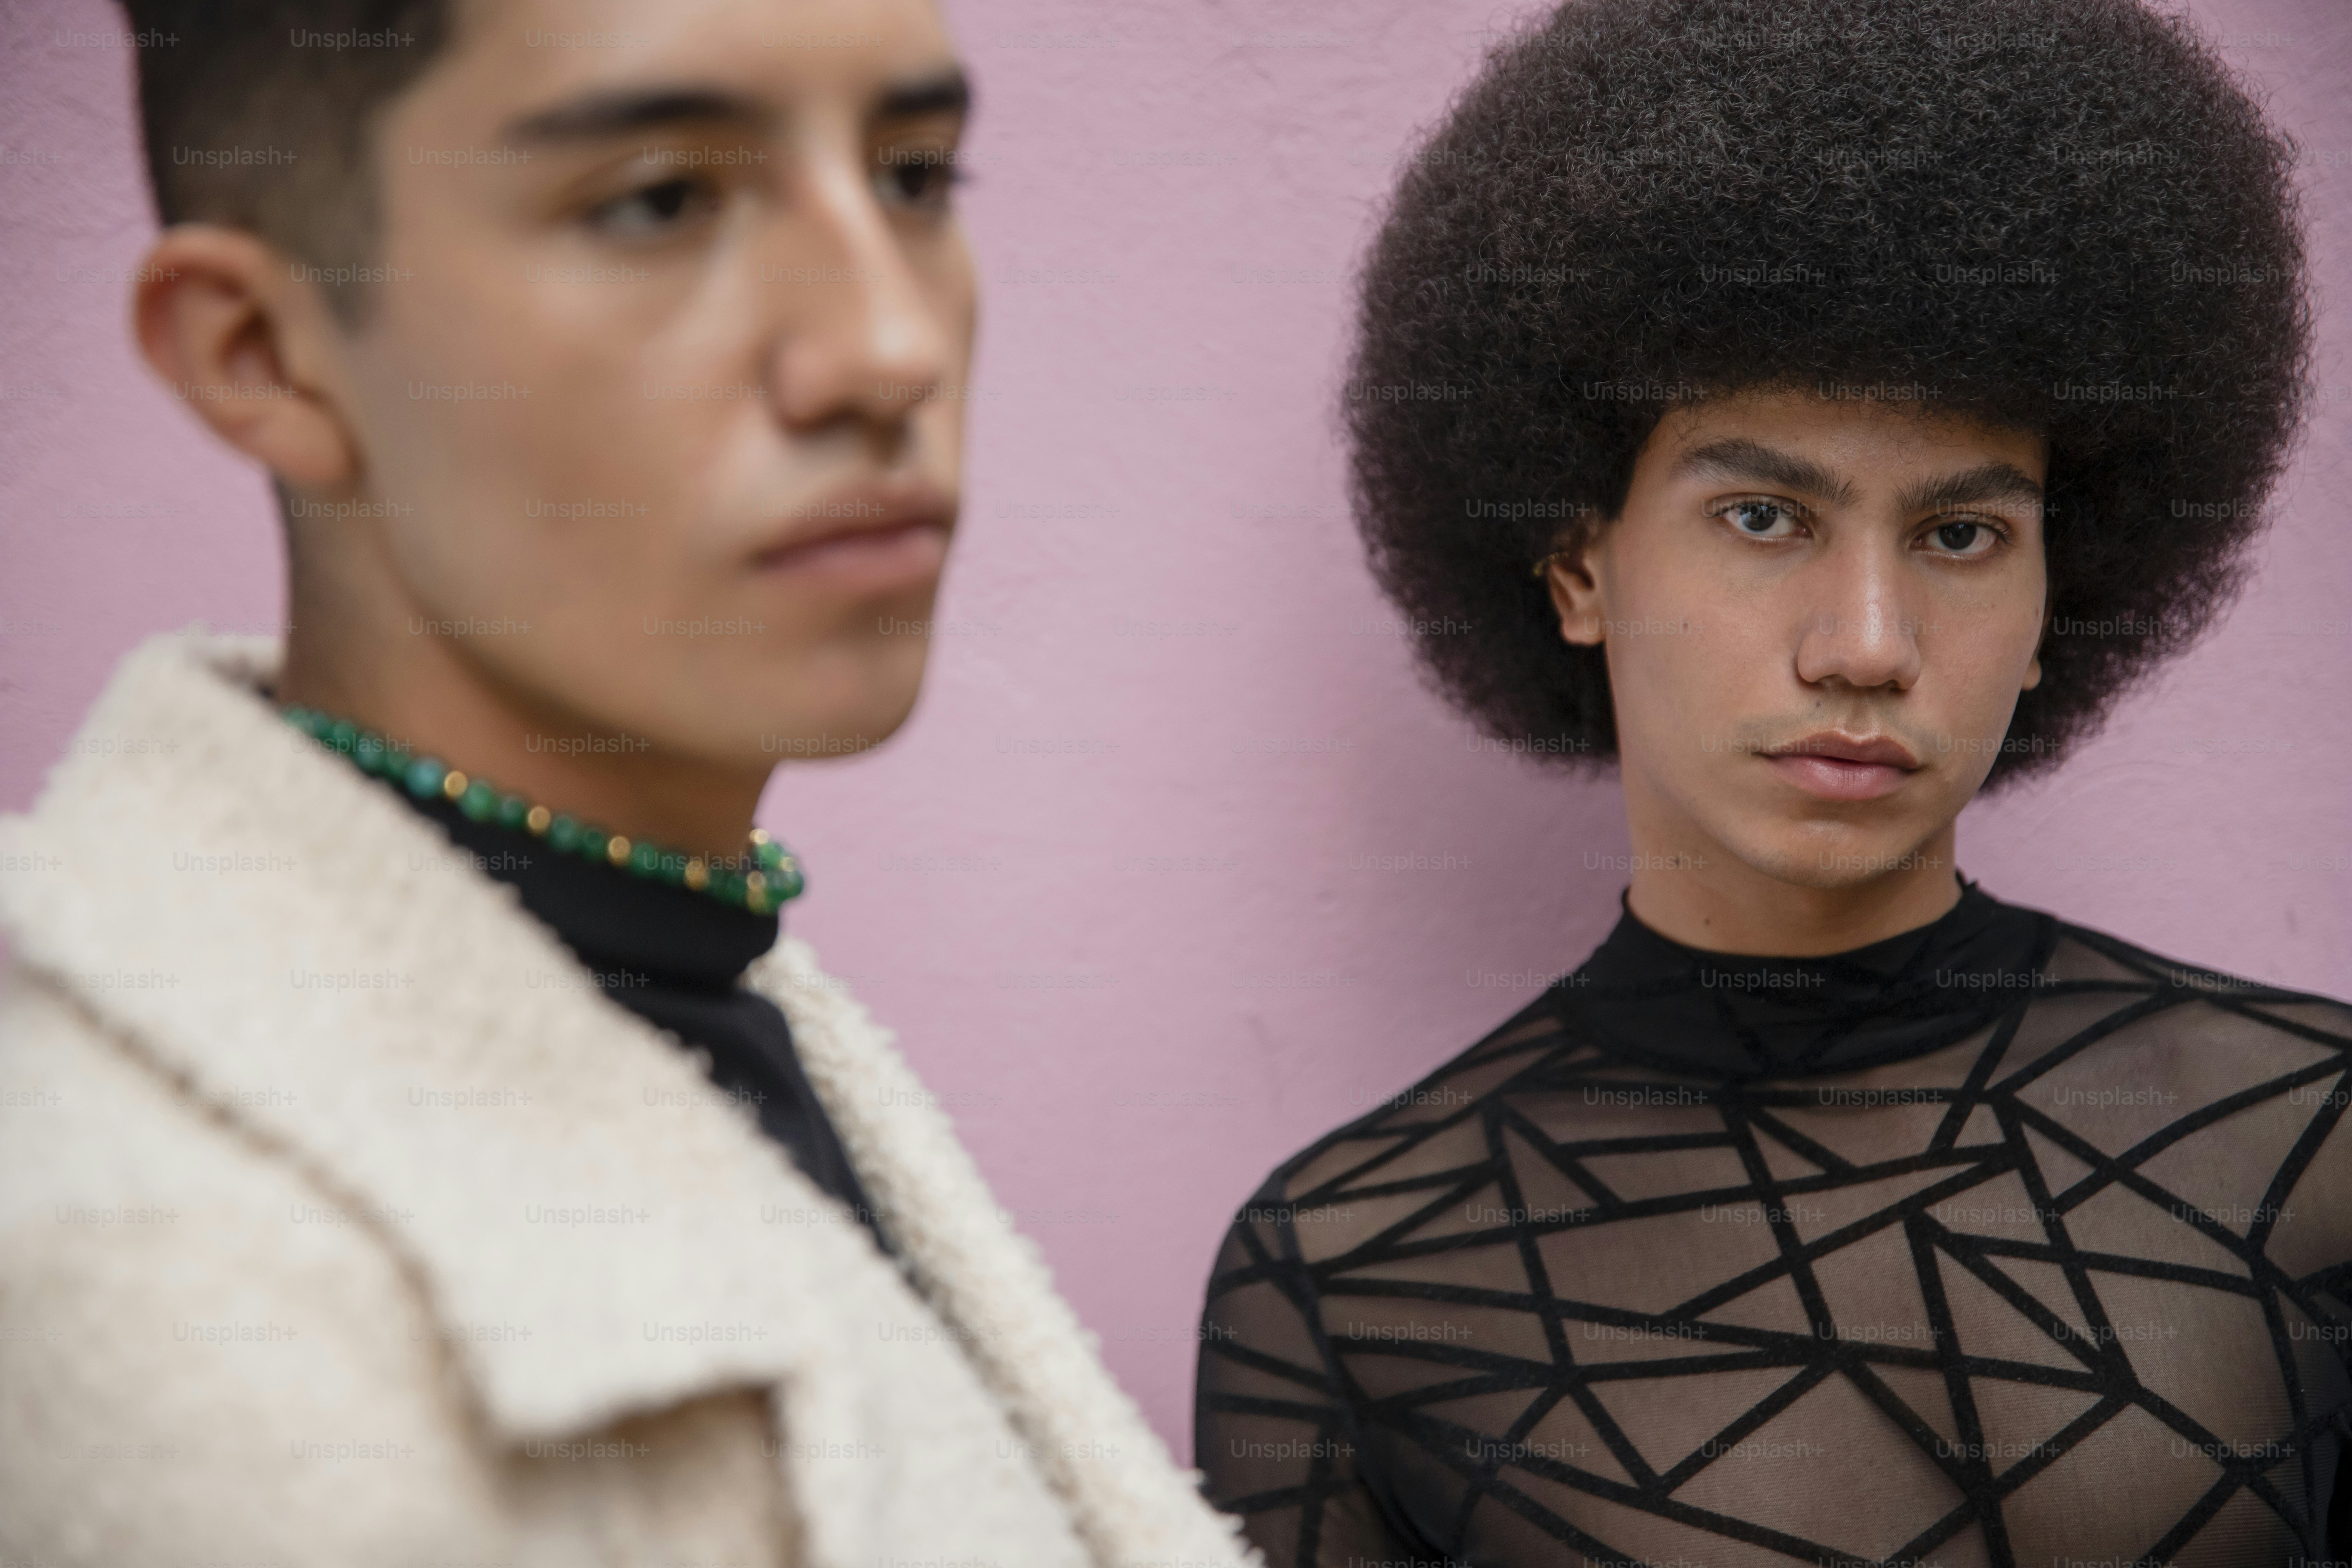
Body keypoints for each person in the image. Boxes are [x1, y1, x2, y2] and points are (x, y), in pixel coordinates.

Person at [0, 2, 1251, 1564]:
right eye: (661, 201)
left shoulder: (691, 976)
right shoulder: (156, 1286)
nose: (889, 346)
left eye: (915, 176)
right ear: (262, 352)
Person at [1192, 0, 2352, 1563]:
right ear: (1576, 563)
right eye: (1763, 517)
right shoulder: (1342, 1281)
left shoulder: (2315, 1138)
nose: (1866, 644)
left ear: (2055, 598)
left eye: (1960, 534)